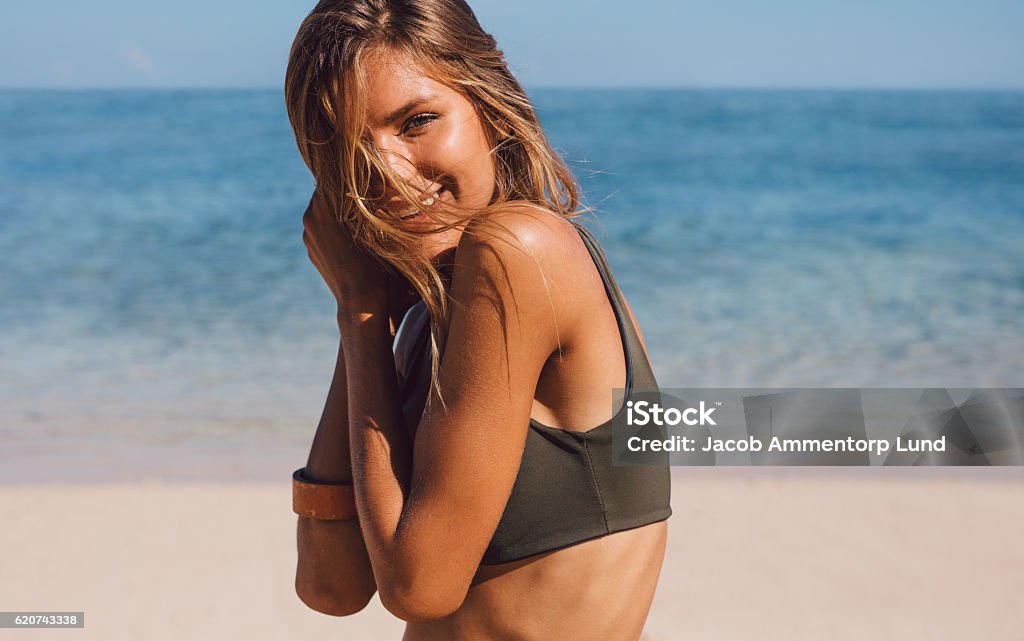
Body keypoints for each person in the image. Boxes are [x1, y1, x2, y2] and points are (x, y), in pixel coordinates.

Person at [284, 1, 672, 639]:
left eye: (417, 121)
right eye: (349, 150)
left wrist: (356, 304)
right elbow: (331, 587)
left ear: (490, 105)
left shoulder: (519, 250)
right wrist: (366, 315)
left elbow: (418, 587)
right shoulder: (418, 313)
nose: (386, 175)